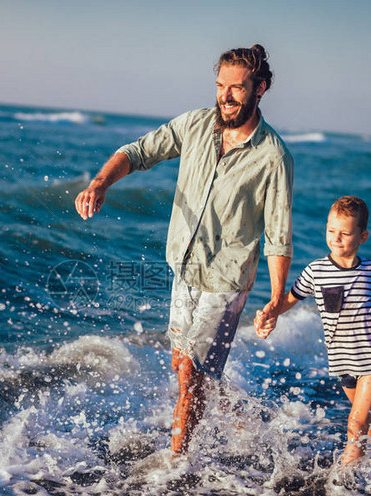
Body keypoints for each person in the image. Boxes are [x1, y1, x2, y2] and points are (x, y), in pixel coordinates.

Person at [75, 44, 293, 454]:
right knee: (184, 367)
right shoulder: (194, 125)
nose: (225, 96)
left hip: (226, 281)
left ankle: (176, 462)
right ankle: (246, 422)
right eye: (220, 86)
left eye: (237, 88)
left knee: (190, 373)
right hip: (183, 267)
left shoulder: (273, 156)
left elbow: (277, 234)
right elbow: (137, 152)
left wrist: (278, 299)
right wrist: (100, 183)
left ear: (260, 88)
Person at [255, 196, 371, 465]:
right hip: (342, 360)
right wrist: (268, 313)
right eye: (331, 231)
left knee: (356, 423)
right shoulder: (315, 271)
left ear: (362, 236)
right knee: (370, 417)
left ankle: (345, 483)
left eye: (344, 233)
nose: (336, 238)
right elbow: (288, 300)